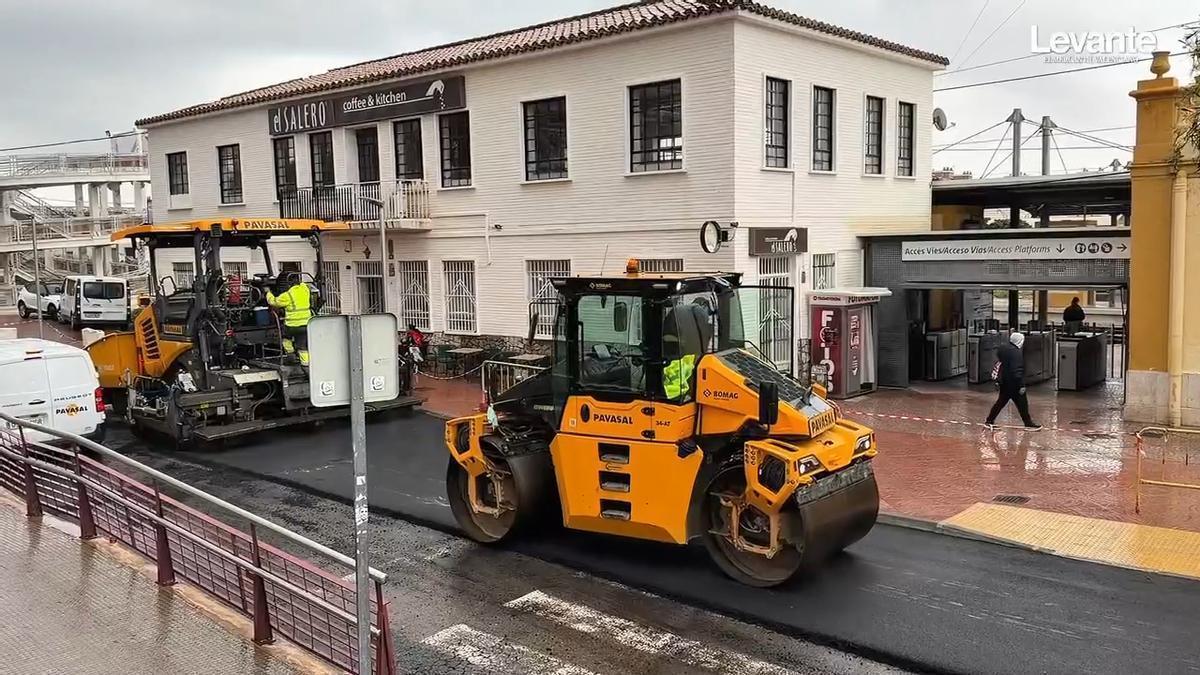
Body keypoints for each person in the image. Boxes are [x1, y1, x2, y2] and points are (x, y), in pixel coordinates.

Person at [985, 332, 1041, 430]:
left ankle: (989, 421)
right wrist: (1021, 385)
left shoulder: (1003, 349)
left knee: (1001, 402)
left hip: (1004, 381)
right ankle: (1028, 423)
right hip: (1014, 383)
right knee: (1022, 403)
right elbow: (1016, 370)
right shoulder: (1016, 353)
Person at [267, 273, 313, 366]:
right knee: (302, 346)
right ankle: (306, 366)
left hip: (292, 325)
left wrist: (268, 292)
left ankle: (290, 355)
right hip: (306, 324)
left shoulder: (287, 295)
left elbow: (274, 302)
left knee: (285, 337)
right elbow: (304, 284)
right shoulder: (305, 289)